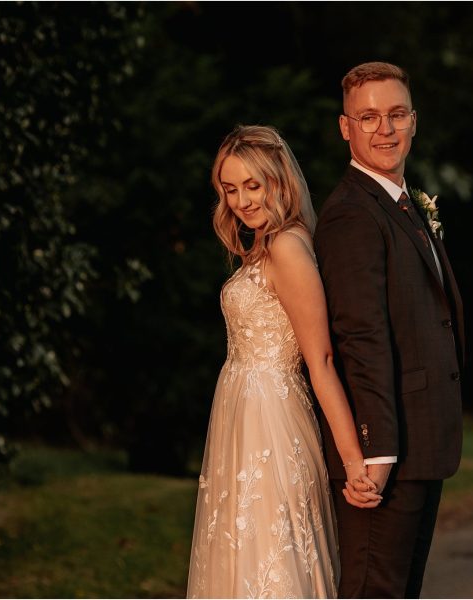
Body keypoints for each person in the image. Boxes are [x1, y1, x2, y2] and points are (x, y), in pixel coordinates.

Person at [186, 125, 381, 599]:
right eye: (229, 189)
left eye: (253, 185)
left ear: (279, 180)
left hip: (271, 423)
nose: (241, 201)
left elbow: (322, 360)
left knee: (274, 556)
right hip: (239, 416)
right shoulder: (261, 246)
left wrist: (355, 462)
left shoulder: (288, 247)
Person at [314, 62, 466, 598]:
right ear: (345, 127)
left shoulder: (404, 204)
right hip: (386, 450)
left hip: (421, 439)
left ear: (414, 121)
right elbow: (360, 338)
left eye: (396, 115)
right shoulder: (352, 214)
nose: (385, 128)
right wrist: (375, 453)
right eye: (369, 116)